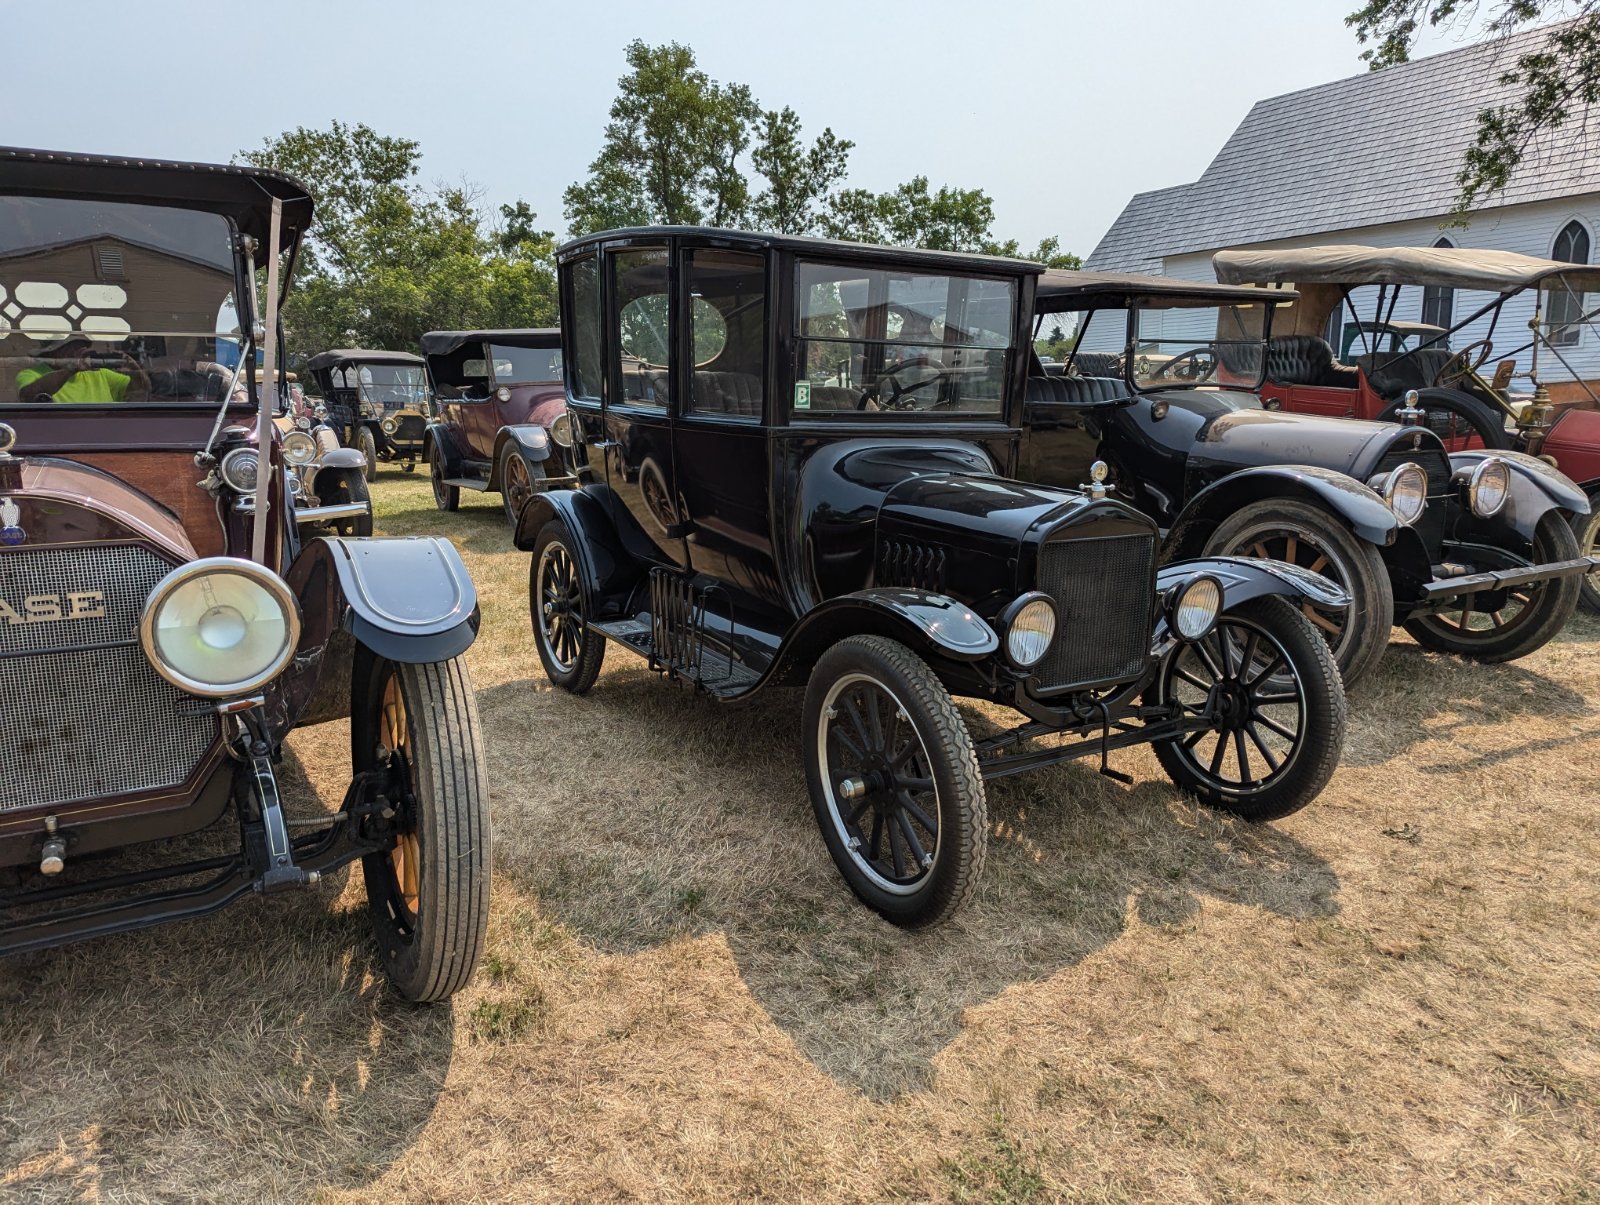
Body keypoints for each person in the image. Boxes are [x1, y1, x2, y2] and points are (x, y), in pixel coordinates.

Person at [16, 335, 151, 403]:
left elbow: (142, 389)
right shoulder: (31, 374)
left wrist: (135, 370)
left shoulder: (100, 374)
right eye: (72, 346)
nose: (80, 349)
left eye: (81, 345)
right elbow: (28, 396)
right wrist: (70, 368)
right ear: (54, 351)